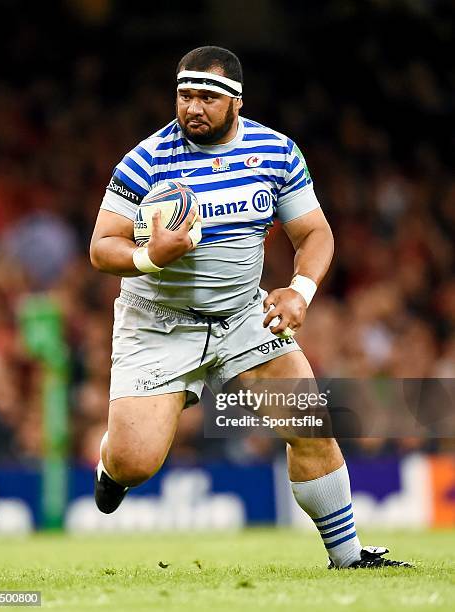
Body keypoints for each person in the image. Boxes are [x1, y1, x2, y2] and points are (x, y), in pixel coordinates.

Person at [90, 46, 411, 569]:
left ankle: (350, 558)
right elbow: (102, 247)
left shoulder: (277, 151)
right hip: (159, 326)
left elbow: (314, 233)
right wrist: (150, 254)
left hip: (244, 315)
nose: (192, 107)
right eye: (184, 95)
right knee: (136, 462)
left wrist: (299, 290)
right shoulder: (146, 159)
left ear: (237, 102)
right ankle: (113, 466)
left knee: (310, 423)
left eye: (208, 97)